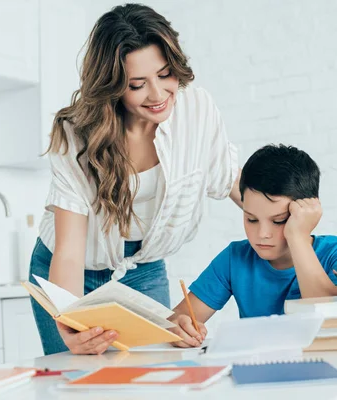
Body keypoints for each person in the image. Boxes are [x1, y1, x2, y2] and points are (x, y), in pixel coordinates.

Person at [29, 3, 241, 356]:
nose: (158, 95)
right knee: (76, 378)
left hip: (142, 267)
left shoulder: (196, 111)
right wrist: (67, 319)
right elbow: (68, 249)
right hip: (70, 269)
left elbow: (234, 181)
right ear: (112, 87)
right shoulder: (76, 134)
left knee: (152, 377)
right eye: (137, 85)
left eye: (165, 74)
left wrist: (289, 215)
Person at [168, 144, 337, 347]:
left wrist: (298, 237)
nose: (262, 234)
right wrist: (178, 325)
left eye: (278, 221)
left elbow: (330, 324)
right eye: (251, 219)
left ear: (305, 213)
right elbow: (176, 319)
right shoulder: (235, 258)